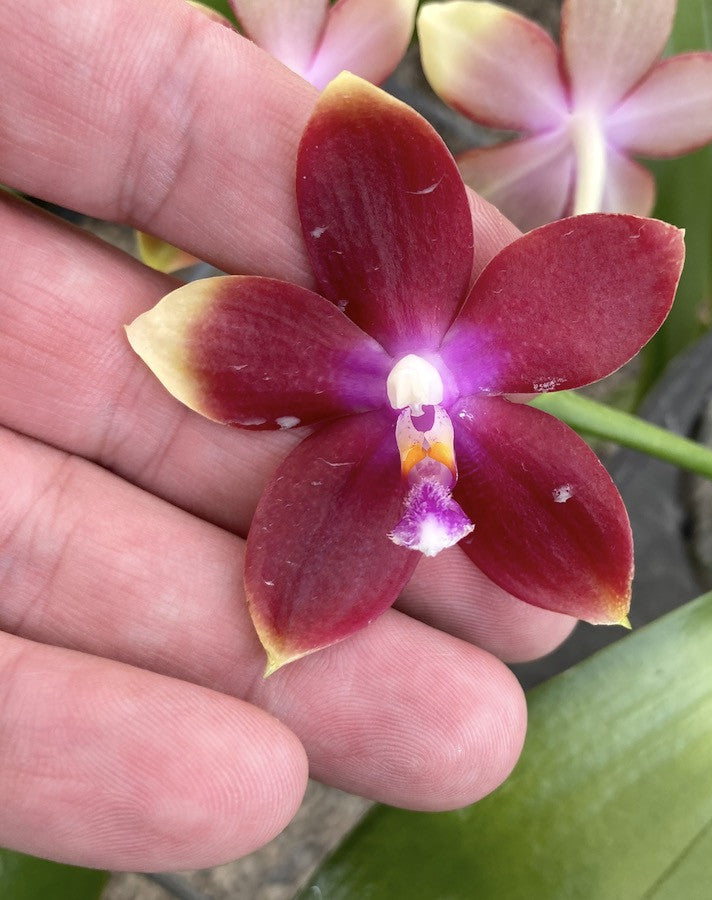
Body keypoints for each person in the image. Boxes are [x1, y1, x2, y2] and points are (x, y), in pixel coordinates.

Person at [0, 0, 576, 872]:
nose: (423, 430)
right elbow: (187, 334)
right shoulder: (332, 448)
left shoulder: (477, 441)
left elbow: (582, 559)